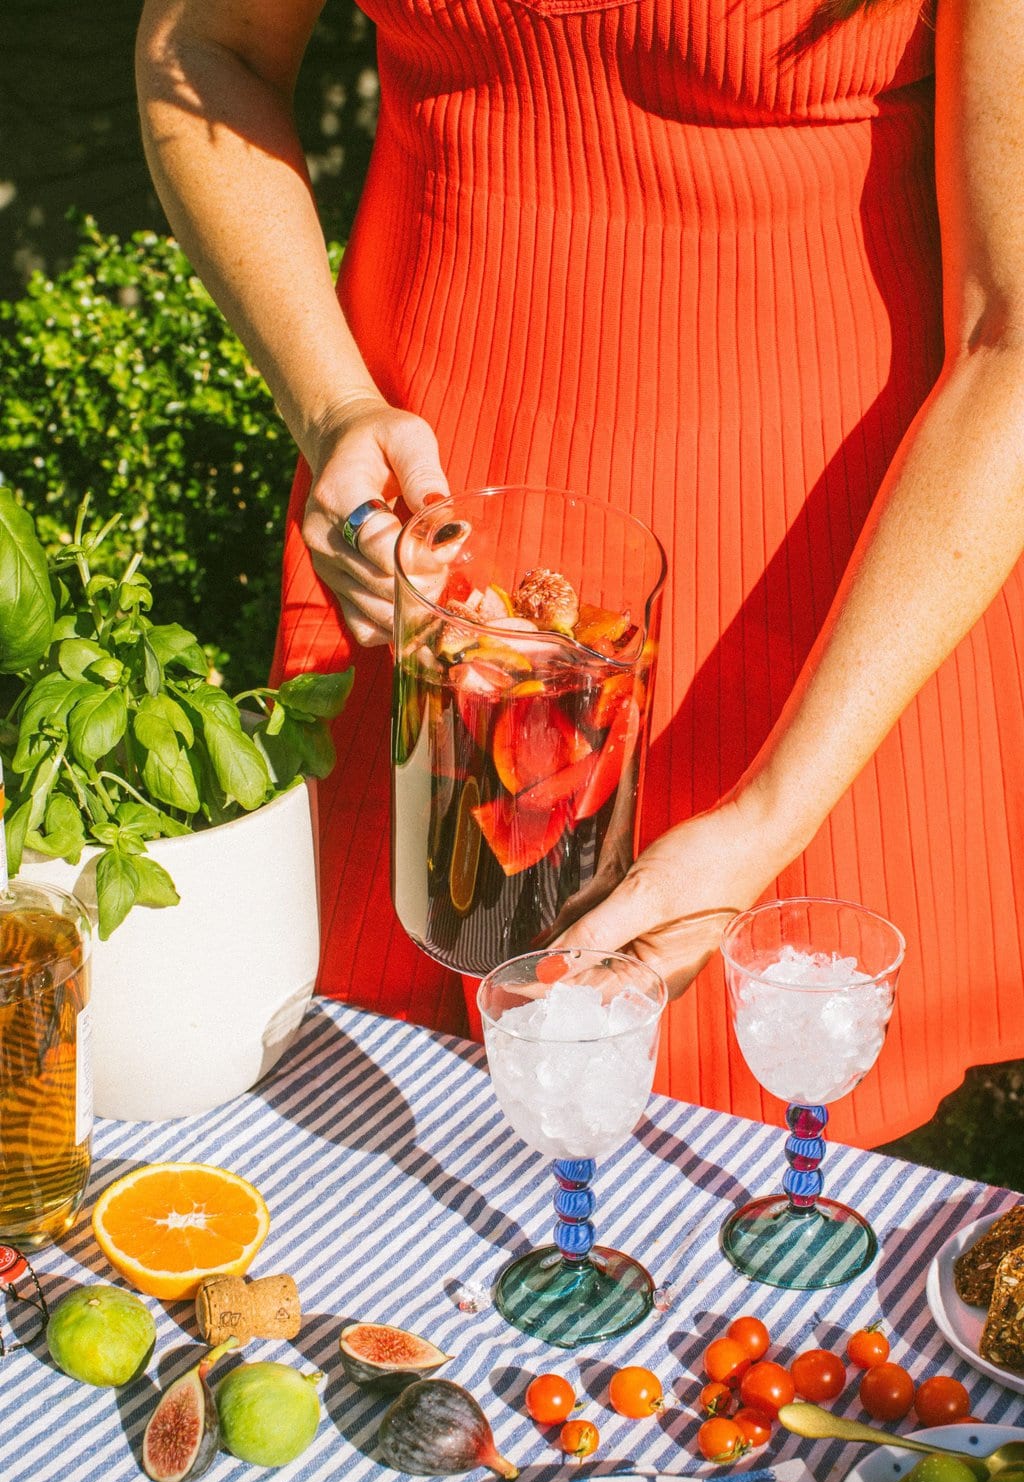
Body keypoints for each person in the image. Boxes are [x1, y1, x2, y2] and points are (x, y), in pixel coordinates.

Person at [135, 0, 1024, 1148]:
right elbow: (206, 49)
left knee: (745, 1195)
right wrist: (333, 406)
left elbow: (1013, 335)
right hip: (438, 540)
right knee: (401, 1145)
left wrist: (765, 820)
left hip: (811, 576)